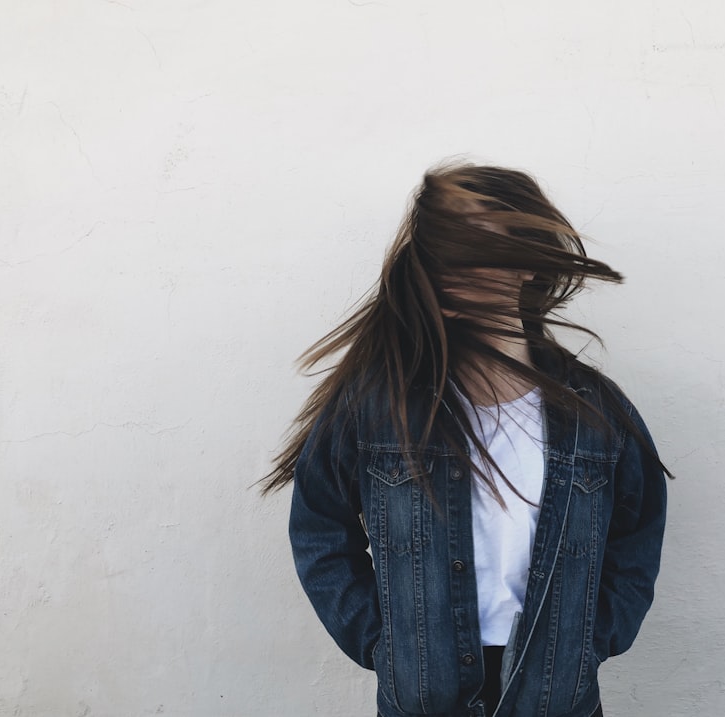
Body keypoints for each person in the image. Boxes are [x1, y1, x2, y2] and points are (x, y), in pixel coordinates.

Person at [261, 163, 670, 717]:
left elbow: (635, 540)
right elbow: (319, 529)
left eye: (475, 247)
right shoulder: (377, 409)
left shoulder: (596, 414)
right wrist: (384, 645)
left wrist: (588, 642)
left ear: (528, 261)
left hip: (556, 701)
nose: (453, 269)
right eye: (442, 254)